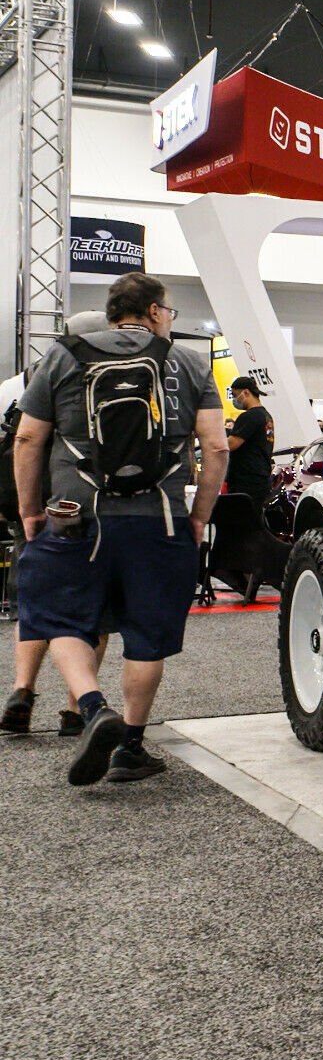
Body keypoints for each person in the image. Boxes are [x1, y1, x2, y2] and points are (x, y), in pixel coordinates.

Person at [12, 273, 228, 785]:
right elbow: (216, 447)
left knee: (52, 612)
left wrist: (29, 510)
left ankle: (91, 707)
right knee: (147, 634)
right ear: (153, 311)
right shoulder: (187, 362)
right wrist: (200, 517)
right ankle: (130, 745)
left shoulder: (62, 356)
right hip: (160, 519)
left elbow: (27, 438)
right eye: (169, 311)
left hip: (73, 514)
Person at [1, 311, 113, 737]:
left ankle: (22, 690)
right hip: (83, 505)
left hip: (26, 506)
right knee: (93, 608)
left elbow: (20, 439)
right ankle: (74, 708)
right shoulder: (108, 377)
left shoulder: (21, 380)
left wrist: (21, 505)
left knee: (34, 600)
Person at [225, 376, 275, 511]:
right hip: (261, 479)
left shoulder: (249, 417)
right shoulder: (266, 416)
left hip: (246, 482)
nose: (235, 400)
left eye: (236, 396)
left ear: (246, 392)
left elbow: (231, 444)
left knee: (242, 523)